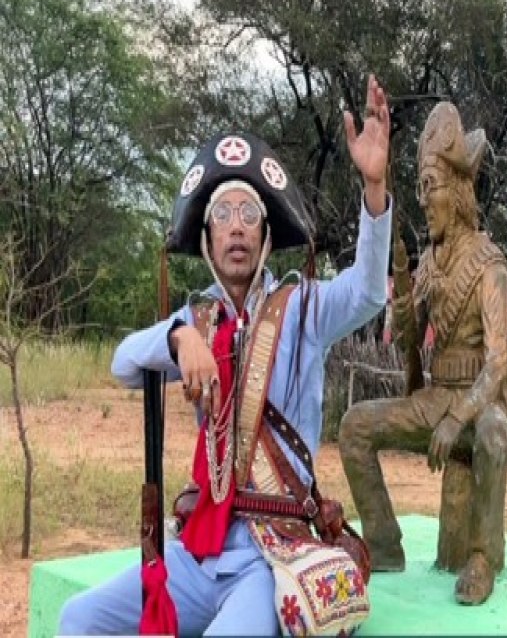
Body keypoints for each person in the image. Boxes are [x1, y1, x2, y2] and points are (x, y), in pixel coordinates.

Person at [58, 75, 392, 636]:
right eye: (223, 215)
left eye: (249, 215)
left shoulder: (304, 309)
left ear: (265, 236)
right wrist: (178, 338)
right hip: (198, 551)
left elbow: (367, 291)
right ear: (208, 238)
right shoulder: (196, 319)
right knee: (79, 618)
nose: (236, 227)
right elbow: (122, 363)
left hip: (268, 555)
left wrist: (374, 188)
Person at [339, 101, 507, 606]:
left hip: (481, 403)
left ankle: (482, 556)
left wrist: (458, 417)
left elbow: (498, 361)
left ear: (458, 191)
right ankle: (383, 543)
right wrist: (402, 313)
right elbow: (411, 337)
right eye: (420, 188)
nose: (423, 200)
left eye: (431, 187)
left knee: (492, 434)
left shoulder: (489, 265)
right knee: (355, 426)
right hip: (436, 396)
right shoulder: (428, 263)